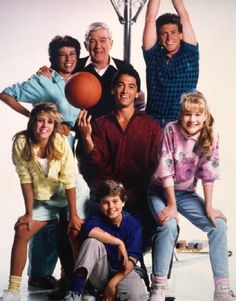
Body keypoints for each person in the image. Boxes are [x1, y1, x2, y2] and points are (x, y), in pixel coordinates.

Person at [0, 35, 89, 292]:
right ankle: (39, 274)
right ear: (53, 58)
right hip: (51, 153)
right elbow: (6, 94)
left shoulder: (82, 80)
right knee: (47, 222)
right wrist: (36, 117)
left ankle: (75, 278)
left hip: (76, 153)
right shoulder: (44, 80)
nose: (69, 59)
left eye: (73, 54)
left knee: (75, 217)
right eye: (63, 54)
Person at [147, 91, 236, 301]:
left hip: (186, 193)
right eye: (187, 114)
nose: (192, 119)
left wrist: (209, 207)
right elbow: (166, 168)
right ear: (181, 115)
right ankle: (158, 287)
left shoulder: (210, 135)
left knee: (218, 225)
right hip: (160, 190)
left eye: (197, 114)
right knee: (168, 224)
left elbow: (208, 174)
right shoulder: (170, 129)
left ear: (205, 116)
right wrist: (171, 205)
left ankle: (222, 289)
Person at [0, 102, 87, 301]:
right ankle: (13, 290)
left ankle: (80, 288)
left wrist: (73, 214)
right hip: (45, 197)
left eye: (49, 122)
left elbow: (69, 179)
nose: (44, 126)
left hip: (72, 193)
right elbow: (25, 179)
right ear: (32, 122)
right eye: (40, 120)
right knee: (22, 229)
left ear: (54, 125)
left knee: (74, 231)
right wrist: (29, 213)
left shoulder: (59, 142)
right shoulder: (21, 142)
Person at [77, 67, 161, 246]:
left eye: (131, 87)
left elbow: (155, 168)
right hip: (107, 197)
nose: (125, 91)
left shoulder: (150, 125)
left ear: (137, 93)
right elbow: (96, 166)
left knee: (150, 229)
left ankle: (136, 266)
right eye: (121, 85)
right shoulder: (99, 124)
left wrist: (133, 194)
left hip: (139, 196)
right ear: (112, 89)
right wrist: (86, 138)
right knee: (87, 229)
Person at [64, 179, 149, 301]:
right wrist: (118, 242)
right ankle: (75, 292)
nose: (111, 207)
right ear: (99, 205)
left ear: (123, 202)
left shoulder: (134, 226)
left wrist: (113, 283)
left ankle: (108, 293)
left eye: (115, 201)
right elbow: (89, 230)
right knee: (91, 242)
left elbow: (131, 261)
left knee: (136, 296)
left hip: (123, 272)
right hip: (100, 272)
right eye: (106, 203)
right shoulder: (97, 218)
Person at [142, 0, 199, 127]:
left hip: (181, 121)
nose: (169, 38)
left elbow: (184, 16)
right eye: (164, 34)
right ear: (158, 37)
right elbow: (150, 19)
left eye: (173, 33)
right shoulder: (153, 56)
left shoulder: (189, 55)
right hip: (153, 121)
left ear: (181, 35)